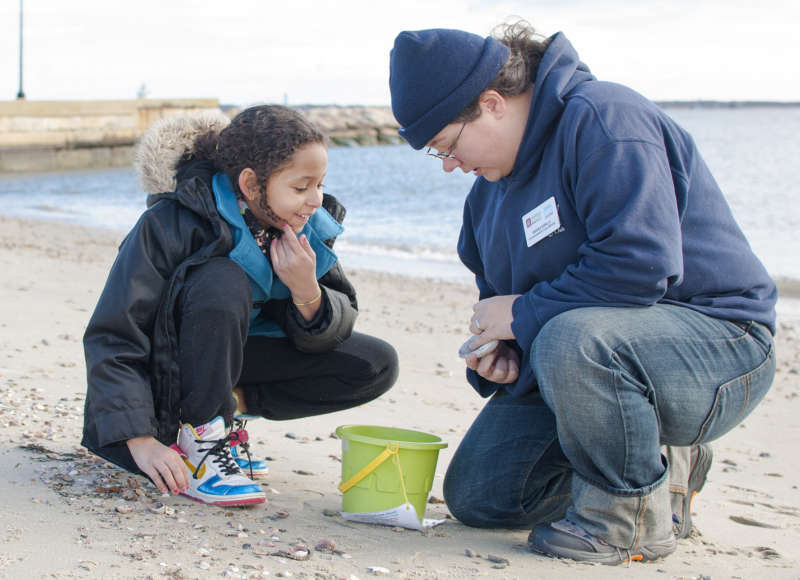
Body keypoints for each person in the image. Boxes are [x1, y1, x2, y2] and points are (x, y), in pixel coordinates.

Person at [388, 21, 776, 564]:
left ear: (493, 103)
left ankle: (629, 520)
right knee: (480, 495)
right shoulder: (485, 201)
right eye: (437, 154)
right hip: (590, 360)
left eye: (447, 144)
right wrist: (503, 356)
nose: (451, 165)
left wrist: (524, 315)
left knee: (572, 338)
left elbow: (642, 266)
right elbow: (519, 319)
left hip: (720, 345)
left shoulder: (604, 118)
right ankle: (662, 482)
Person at [82, 105, 398, 506]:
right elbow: (114, 334)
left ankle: (223, 418)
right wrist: (140, 440)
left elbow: (339, 320)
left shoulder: (304, 226)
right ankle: (200, 439)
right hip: (162, 379)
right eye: (301, 188)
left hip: (229, 362)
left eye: (320, 184)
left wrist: (306, 291)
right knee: (222, 279)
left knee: (376, 363)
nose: (316, 200)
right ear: (250, 183)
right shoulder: (169, 223)